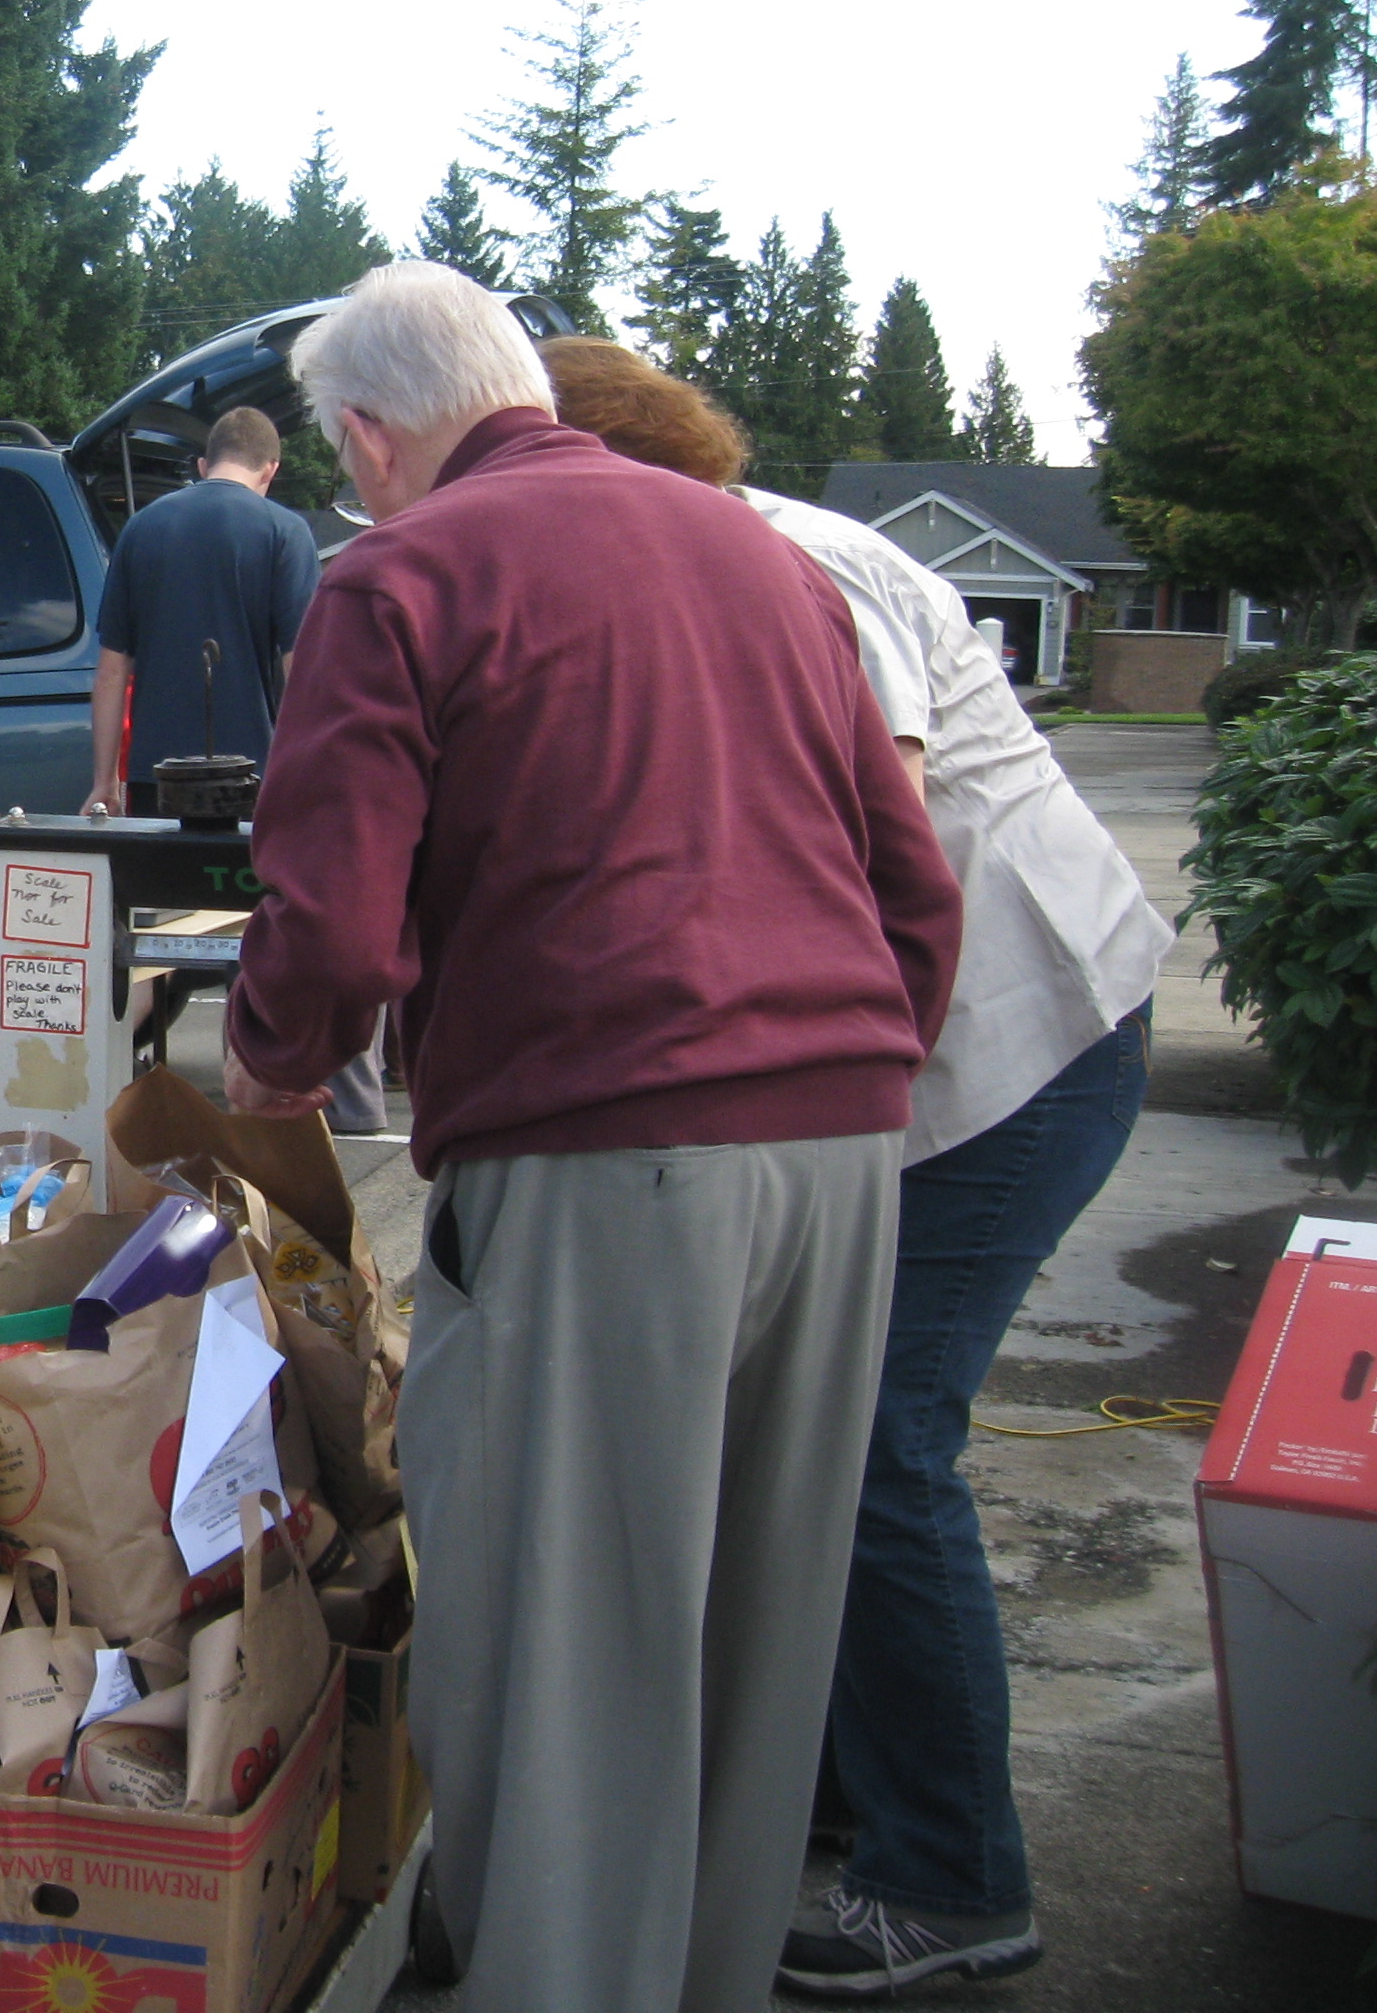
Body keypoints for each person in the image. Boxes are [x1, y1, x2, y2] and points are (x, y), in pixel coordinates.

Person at [218, 264, 961, 2013]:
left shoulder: (398, 571)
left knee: (567, 1649)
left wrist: (267, 1072)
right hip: (837, 1137)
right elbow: (908, 881)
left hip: (603, 1148)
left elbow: (325, 927)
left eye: (349, 463)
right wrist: (846, 1066)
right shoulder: (762, 556)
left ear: (370, 434)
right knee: (753, 1641)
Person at [541, 338, 1170, 2000]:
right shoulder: (694, 560)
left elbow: (863, 829)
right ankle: (821, 1790)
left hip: (1013, 1052)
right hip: (907, 1064)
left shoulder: (787, 561)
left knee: (878, 1441)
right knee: (795, 1428)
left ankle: (950, 1873)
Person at [82, 402, 320, 818]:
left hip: (155, 776)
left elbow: (111, 672)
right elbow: (301, 665)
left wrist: (105, 783)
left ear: (203, 464)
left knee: (159, 883)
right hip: (254, 776)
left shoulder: (139, 528)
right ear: (271, 469)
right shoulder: (285, 531)